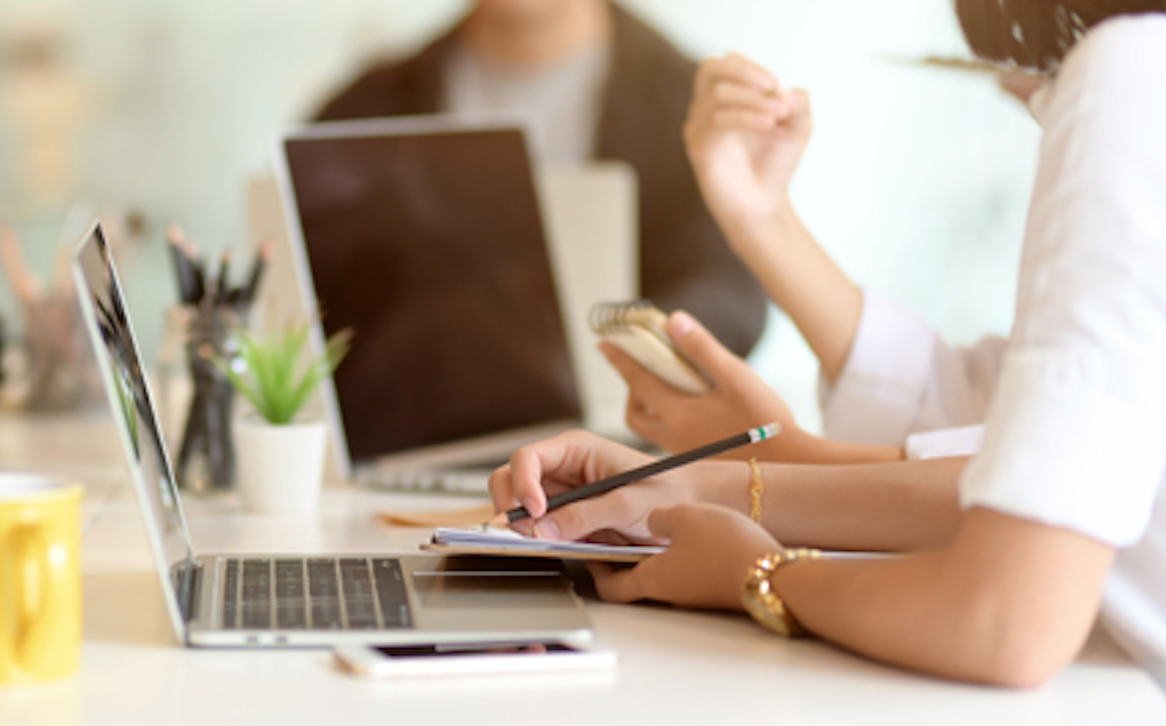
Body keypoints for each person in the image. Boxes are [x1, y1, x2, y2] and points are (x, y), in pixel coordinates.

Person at [489, 1, 1166, 687]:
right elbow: (1025, 452)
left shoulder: (1135, 70)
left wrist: (754, 572)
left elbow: (1005, 619)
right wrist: (705, 483)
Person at [314, 0, 767, 357]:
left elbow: (730, 287)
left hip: (630, 440)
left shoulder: (691, 107)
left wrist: (645, 350)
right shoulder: (361, 110)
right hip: (414, 440)